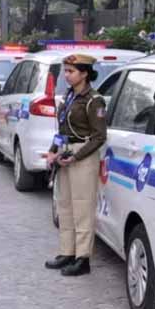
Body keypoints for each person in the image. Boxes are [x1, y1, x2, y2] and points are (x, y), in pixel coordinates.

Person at [44, 54, 108, 277]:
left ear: (84, 73)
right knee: (65, 206)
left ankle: (82, 258)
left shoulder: (94, 100)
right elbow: (62, 128)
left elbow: (99, 137)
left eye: (71, 71)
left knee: (82, 207)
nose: (66, 75)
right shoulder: (69, 96)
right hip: (65, 152)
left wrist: (76, 157)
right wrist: (53, 151)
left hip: (83, 154)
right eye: (66, 70)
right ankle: (67, 252)